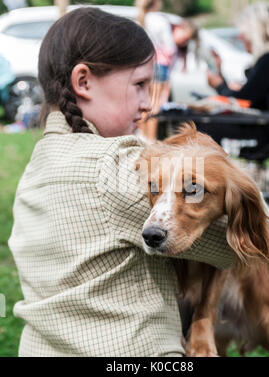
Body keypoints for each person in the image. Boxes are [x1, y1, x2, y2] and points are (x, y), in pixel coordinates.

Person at [8, 7, 235, 357]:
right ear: (83, 82)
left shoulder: (35, 168)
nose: (148, 105)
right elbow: (239, 245)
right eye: (140, 85)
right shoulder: (117, 170)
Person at [207, 2, 269, 110]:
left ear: (254, 36)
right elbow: (251, 94)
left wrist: (219, 85)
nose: (240, 37)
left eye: (243, 33)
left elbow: (242, 101)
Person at [135, 0, 177, 140]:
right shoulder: (160, 20)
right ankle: (151, 140)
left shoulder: (141, 18)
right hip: (159, 64)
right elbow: (170, 47)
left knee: (142, 101)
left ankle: (142, 136)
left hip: (143, 63)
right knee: (155, 104)